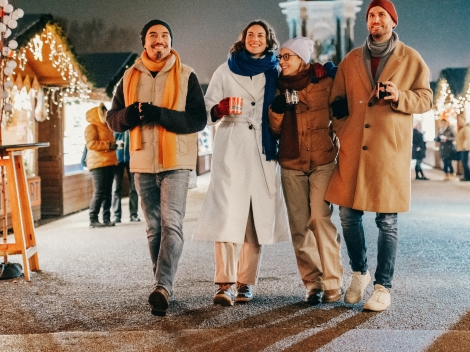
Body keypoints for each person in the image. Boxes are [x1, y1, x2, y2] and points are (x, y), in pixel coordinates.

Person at [326, 0, 432, 312]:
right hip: (355, 148)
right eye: (371, 15)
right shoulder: (351, 59)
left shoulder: (411, 59)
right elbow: (337, 101)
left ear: (392, 22)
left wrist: (400, 95)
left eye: (381, 15)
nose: (376, 20)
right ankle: (360, 272)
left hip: (389, 150)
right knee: (347, 216)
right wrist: (343, 129)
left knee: (387, 221)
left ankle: (383, 286)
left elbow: (426, 99)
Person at [106, 19, 207, 317]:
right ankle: (161, 286)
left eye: (165, 35)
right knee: (152, 228)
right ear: (144, 43)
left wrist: (159, 114)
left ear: (171, 42)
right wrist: (131, 116)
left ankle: (162, 286)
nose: (159, 40)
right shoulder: (128, 77)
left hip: (176, 160)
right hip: (142, 161)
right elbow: (112, 120)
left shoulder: (187, 75)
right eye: (153, 35)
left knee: (171, 224)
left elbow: (197, 119)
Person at [193, 20, 290, 306]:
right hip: (232, 149)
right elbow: (206, 110)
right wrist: (220, 108)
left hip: (262, 152)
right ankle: (224, 283)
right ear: (243, 39)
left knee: (254, 220)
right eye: (251, 35)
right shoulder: (225, 70)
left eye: (261, 35)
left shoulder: (276, 72)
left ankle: (245, 283)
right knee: (226, 215)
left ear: (268, 40)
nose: (255, 39)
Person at [267, 36, 343, 305]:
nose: (282, 61)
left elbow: (340, 117)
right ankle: (313, 283)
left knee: (320, 220)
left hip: (322, 160)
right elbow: (275, 132)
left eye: (287, 56)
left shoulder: (325, 81)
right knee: (299, 227)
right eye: (281, 57)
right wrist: (276, 112)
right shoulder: (277, 86)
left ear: (302, 58)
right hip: (291, 162)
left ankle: (333, 281)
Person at [85, 103, 118, 228]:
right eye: (104, 112)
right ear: (98, 114)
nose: (106, 114)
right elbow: (91, 144)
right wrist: (108, 145)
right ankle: (93, 218)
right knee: (100, 192)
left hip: (110, 162)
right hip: (98, 163)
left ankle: (106, 218)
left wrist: (113, 146)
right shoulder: (91, 127)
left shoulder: (107, 127)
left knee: (108, 192)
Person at [110, 131, 140, 223]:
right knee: (116, 188)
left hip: (132, 159)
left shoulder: (132, 127)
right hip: (117, 160)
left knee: (133, 188)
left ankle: (133, 214)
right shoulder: (115, 126)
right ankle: (116, 215)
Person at [456, 114, 470, 181]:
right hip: (462, 148)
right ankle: (465, 176)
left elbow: (467, 138)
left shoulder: (466, 128)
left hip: (465, 148)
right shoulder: (462, 128)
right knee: (463, 163)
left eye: (461, 120)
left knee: (465, 163)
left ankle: (467, 177)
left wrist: (465, 146)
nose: (459, 122)